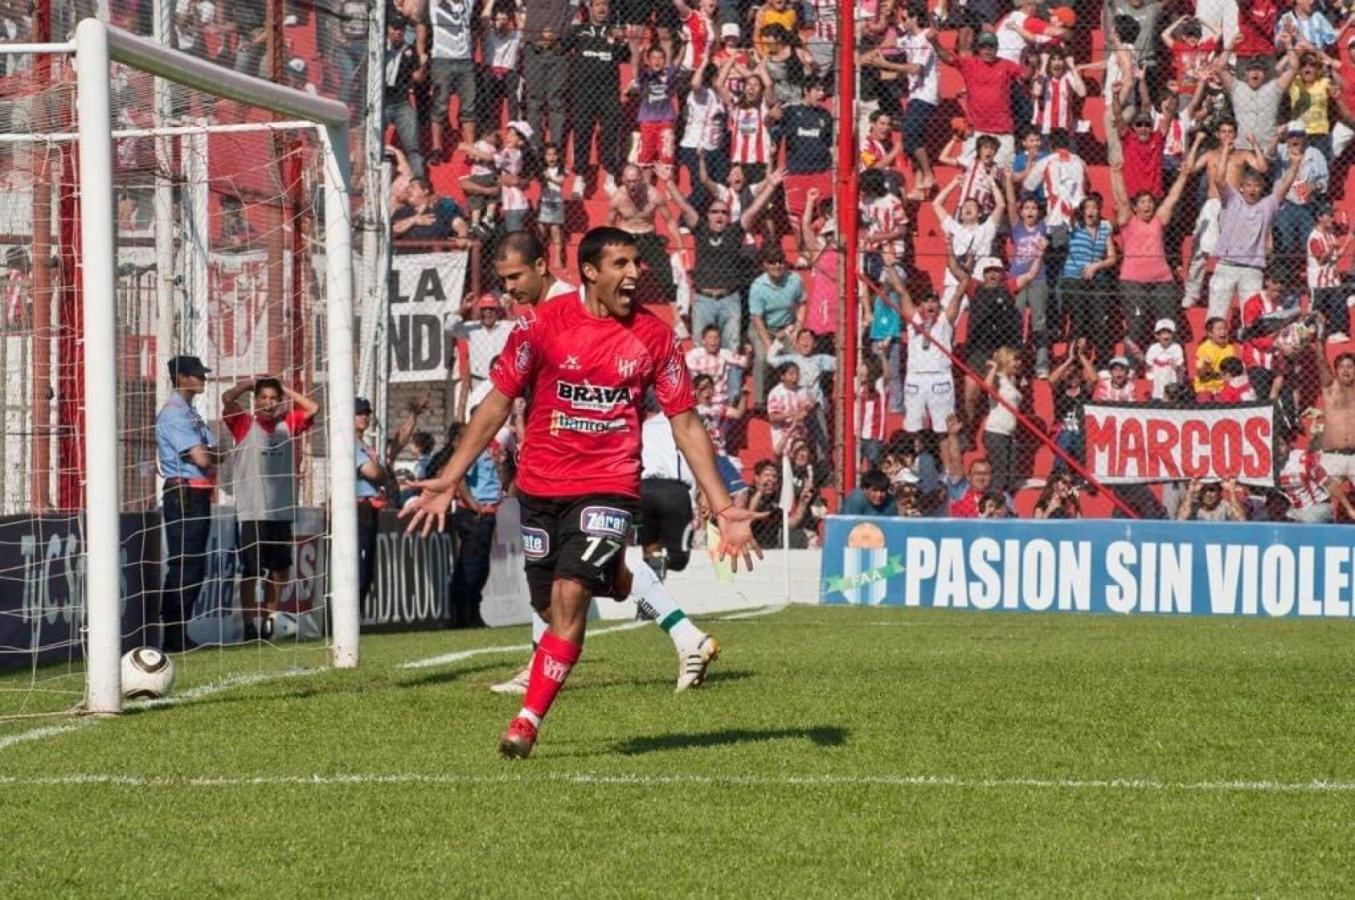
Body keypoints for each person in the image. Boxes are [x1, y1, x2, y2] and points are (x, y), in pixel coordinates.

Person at [404, 228, 763, 759]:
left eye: (637, 262)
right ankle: (617, 577)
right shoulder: (541, 327)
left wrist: (726, 505)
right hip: (541, 487)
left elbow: (686, 424)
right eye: (621, 263)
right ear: (591, 271)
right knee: (547, 606)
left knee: (571, 598)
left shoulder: (655, 336)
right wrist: (452, 474)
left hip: (609, 484)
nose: (635, 273)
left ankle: (527, 721)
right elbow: (497, 403)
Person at [483, 231, 738, 697]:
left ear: (545, 266)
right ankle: (688, 637)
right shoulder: (543, 316)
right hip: (555, 471)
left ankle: (543, 671)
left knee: (577, 574)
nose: (510, 289)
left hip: (594, 474)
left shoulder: (575, 309)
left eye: (516, 276)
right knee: (592, 573)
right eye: (503, 280)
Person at [221, 376, 319, 641]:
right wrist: (248, 383)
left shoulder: (287, 425)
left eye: (273, 398)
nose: (268, 402)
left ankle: (270, 622)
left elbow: (313, 408)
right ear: (255, 400)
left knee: (279, 571)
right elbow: (227, 399)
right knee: (252, 571)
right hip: (253, 512)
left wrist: (284, 388)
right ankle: (250, 624)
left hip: (281, 512)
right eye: (263, 397)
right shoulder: (244, 423)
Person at [156, 355, 221, 653]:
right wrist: (205, 453)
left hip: (196, 493)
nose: (203, 379)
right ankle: (172, 633)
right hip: (183, 494)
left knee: (194, 564)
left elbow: (217, 453)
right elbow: (204, 458)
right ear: (181, 377)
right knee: (184, 563)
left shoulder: (190, 414)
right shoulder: (174, 414)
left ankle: (180, 630)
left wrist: (206, 453)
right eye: (197, 374)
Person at [354, 397, 391, 614]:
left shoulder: (365, 445)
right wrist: (383, 473)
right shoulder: (349, 442)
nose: (365, 417)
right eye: (360, 413)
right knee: (359, 565)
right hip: (358, 508)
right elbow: (374, 472)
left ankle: (356, 614)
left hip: (369, 508)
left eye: (367, 412)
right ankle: (350, 615)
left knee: (367, 566)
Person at [1177, 479, 1247, 521]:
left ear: (1219, 492)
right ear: (1200, 493)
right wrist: (1190, 490)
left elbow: (1240, 519)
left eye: (1212, 490)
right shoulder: (1194, 507)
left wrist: (1231, 491)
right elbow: (1181, 518)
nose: (1208, 494)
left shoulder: (1224, 505)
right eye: (1204, 490)